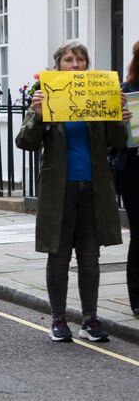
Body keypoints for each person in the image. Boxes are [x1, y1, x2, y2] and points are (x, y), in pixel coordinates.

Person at [16, 41, 129, 342]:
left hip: (93, 189)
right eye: (69, 59)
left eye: (80, 59)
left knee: (90, 258)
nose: (76, 65)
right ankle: (59, 319)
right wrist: (37, 114)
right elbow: (25, 141)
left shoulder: (98, 97)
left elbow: (117, 141)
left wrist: (119, 116)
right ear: (58, 66)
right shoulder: (45, 97)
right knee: (59, 256)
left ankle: (91, 320)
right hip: (59, 190)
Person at [114, 41, 139, 318]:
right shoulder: (125, 91)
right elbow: (113, 139)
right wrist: (120, 118)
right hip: (133, 168)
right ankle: (136, 298)